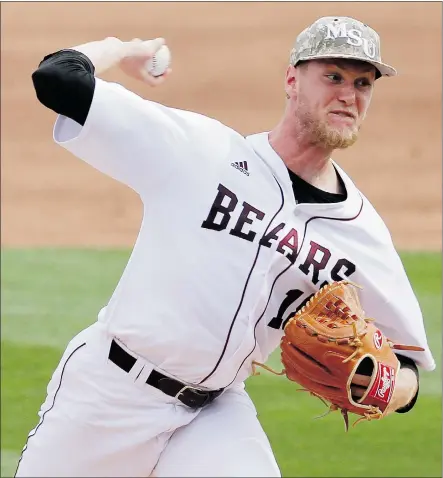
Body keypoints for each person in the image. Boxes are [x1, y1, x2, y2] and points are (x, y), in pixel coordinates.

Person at [17, 15, 435, 477]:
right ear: (292, 80)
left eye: (362, 83)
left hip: (213, 415)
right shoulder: (203, 152)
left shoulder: (361, 233)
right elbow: (57, 78)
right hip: (107, 393)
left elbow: (409, 365)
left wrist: (380, 385)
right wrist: (122, 47)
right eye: (332, 76)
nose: (348, 94)